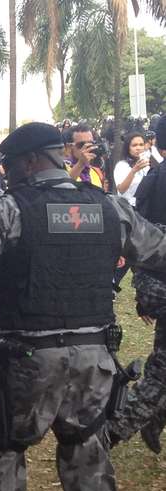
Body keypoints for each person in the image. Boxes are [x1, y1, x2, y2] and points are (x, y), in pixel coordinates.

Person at [0, 122, 166, 491]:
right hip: (94, 359)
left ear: (32, 161)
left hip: (26, 360)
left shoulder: (9, 209)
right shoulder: (109, 208)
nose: (6, 173)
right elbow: (158, 254)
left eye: (10, 165)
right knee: (87, 454)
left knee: (4, 451)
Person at [110, 117, 166, 453]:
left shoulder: (153, 180)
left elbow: (141, 240)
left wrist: (143, 293)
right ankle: (112, 432)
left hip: (155, 283)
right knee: (160, 371)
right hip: (159, 283)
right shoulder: (155, 180)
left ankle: (153, 417)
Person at [114, 131, 150, 207]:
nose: (138, 148)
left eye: (141, 145)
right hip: (128, 208)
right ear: (128, 148)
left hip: (144, 206)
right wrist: (134, 171)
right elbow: (121, 189)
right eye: (134, 145)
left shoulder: (146, 164)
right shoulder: (122, 165)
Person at [65, 123, 105, 188]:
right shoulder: (61, 169)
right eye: (81, 145)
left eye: (90, 144)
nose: (87, 148)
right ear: (69, 147)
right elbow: (64, 187)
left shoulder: (95, 172)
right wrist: (81, 164)